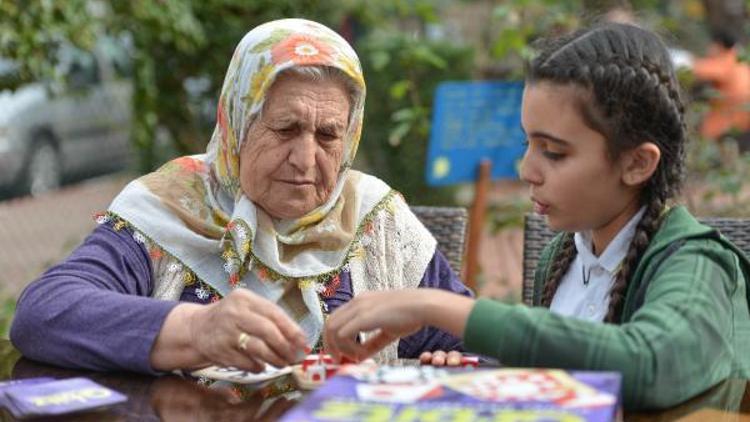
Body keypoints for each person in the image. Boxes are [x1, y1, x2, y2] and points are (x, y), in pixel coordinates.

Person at [324, 22, 750, 410]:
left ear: (638, 164)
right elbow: (562, 377)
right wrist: (480, 367)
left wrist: (442, 307)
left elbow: (647, 365)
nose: (527, 170)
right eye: (529, 144)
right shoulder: (563, 257)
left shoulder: (696, 265)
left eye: (554, 152)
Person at [10, 19, 471, 374]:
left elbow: (470, 341)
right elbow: (43, 314)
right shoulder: (171, 207)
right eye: (286, 128)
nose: (306, 159)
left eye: (329, 134)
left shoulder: (375, 218)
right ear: (236, 125)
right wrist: (198, 330)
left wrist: (453, 367)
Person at [692, 28, 750, 143]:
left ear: (719, 45)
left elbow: (695, 70)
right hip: (742, 125)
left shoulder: (727, 61)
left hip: (724, 126)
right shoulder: (741, 63)